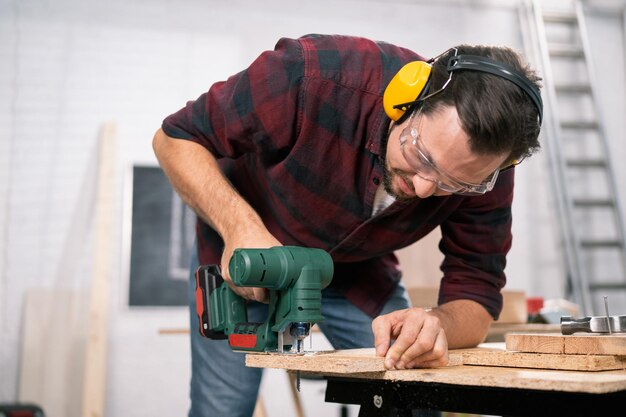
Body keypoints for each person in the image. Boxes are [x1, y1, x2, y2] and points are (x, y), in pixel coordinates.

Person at [152, 34, 542, 417]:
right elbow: (175, 139)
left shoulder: (482, 172)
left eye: (451, 184)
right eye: (421, 155)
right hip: (247, 256)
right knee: (223, 406)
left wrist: (436, 324)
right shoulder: (312, 75)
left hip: (355, 268)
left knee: (413, 394)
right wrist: (239, 228)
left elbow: (476, 290)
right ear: (406, 100)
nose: (424, 188)